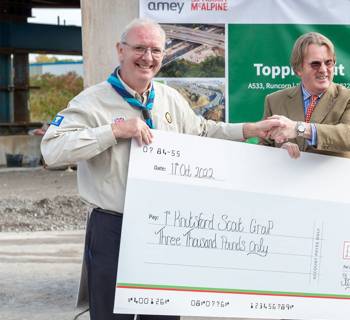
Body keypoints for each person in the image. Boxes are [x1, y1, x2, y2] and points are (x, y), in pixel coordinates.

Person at [40, 18, 287, 320]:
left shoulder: (169, 99)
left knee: (164, 314)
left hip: (164, 227)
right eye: (139, 48)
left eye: (156, 50)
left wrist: (250, 128)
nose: (148, 58)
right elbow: (51, 150)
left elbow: (202, 132)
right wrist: (114, 131)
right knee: (110, 314)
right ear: (120, 50)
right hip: (113, 228)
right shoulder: (92, 101)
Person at [262, 32, 350, 159]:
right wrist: (279, 154)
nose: (323, 69)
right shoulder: (274, 100)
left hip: (332, 178)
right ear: (298, 69)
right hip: (287, 177)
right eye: (315, 64)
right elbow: (264, 146)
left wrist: (299, 128)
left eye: (328, 63)